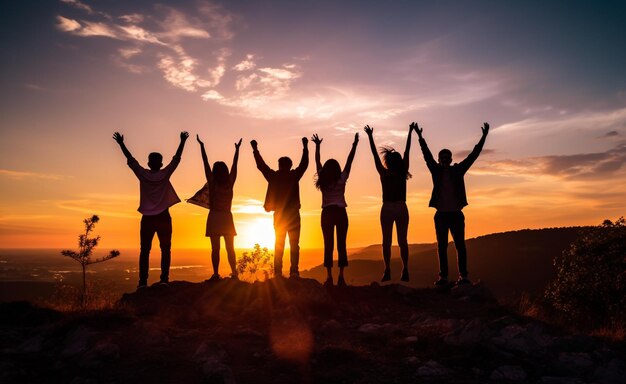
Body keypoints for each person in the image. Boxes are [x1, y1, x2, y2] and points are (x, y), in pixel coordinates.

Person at [415, 122, 489, 286]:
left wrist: (484, 137)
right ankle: (443, 277)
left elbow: (473, 155)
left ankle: (463, 276)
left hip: (455, 214)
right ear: (439, 159)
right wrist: (420, 137)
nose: (444, 160)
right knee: (442, 247)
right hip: (441, 214)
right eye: (442, 158)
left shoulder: (458, 170)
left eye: (446, 158)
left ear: (450, 159)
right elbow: (426, 155)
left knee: (460, 246)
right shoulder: (436, 170)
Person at [112, 131, 189, 289]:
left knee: (145, 250)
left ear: (148, 163)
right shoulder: (165, 174)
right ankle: (164, 280)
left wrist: (121, 143)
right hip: (163, 217)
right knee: (165, 249)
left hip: (147, 218)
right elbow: (176, 159)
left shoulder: (142, 174)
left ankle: (142, 283)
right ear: (161, 164)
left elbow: (130, 159)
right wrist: (182, 141)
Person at [251, 137, 309, 278]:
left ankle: (278, 273)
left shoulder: (274, 176)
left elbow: (261, 166)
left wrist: (255, 150)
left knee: (279, 243)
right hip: (294, 215)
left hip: (279, 216)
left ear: (279, 165)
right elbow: (304, 164)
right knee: (294, 244)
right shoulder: (294, 175)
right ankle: (294, 271)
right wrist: (305, 147)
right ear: (289, 165)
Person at [363, 124, 413, 282]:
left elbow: (374, 155)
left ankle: (388, 270)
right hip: (400, 206)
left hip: (388, 207)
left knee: (387, 241)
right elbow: (407, 151)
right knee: (402, 240)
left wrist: (370, 136)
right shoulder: (402, 172)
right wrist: (410, 132)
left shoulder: (384, 173)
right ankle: (403, 269)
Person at [312, 132, 359, 287]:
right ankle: (341, 277)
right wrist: (354, 145)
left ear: (325, 169)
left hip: (326, 213)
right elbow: (349, 161)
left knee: (328, 245)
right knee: (341, 245)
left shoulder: (323, 179)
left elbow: (317, 161)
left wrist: (317, 146)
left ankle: (329, 277)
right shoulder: (342, 179)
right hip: (340, 213)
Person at [197, 135, 242, 281]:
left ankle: (216, 274)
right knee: (230, 248)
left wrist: (202, 146)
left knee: (215, 248)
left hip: (215, 217)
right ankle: (234, 273)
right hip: (227, 217)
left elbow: (205, 163)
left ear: (215, 172)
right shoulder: (230, 182)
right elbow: (235, 166)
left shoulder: (212, 182)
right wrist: (237, 150)